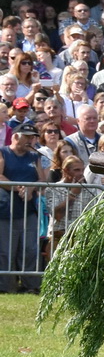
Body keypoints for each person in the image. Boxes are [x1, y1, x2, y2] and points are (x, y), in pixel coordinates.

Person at [0, 122, 46, 290]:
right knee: (5, 250)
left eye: (33, 137)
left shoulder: (35, 157)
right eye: (27, 137)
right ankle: (4, 286)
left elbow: (42, 180)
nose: (31, 141)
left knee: (30, 249)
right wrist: (19, 187)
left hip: (29, 210)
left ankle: (31, 285)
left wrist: (31, 188)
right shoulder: (3, 152)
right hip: (6, 209)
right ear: (16, 136)